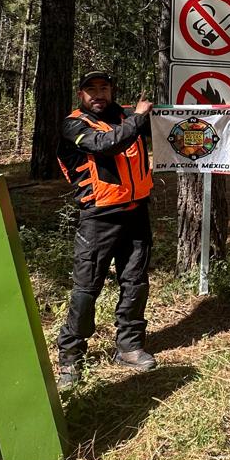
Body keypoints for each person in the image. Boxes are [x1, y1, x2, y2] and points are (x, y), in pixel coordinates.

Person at [55, 70, 156, 388]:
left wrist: (216, 110)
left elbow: (173, 123)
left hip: (136, 213)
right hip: (98, 219)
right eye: (91, 89)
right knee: (86, 290)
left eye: (104, 88)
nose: (98, 94)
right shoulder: (74, 125)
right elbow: (107, 145)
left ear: (112, 91)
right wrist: (139, 117)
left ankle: (129, 346)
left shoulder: (127, 115)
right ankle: (71, 357)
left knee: (136, 283)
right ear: (81, 94)